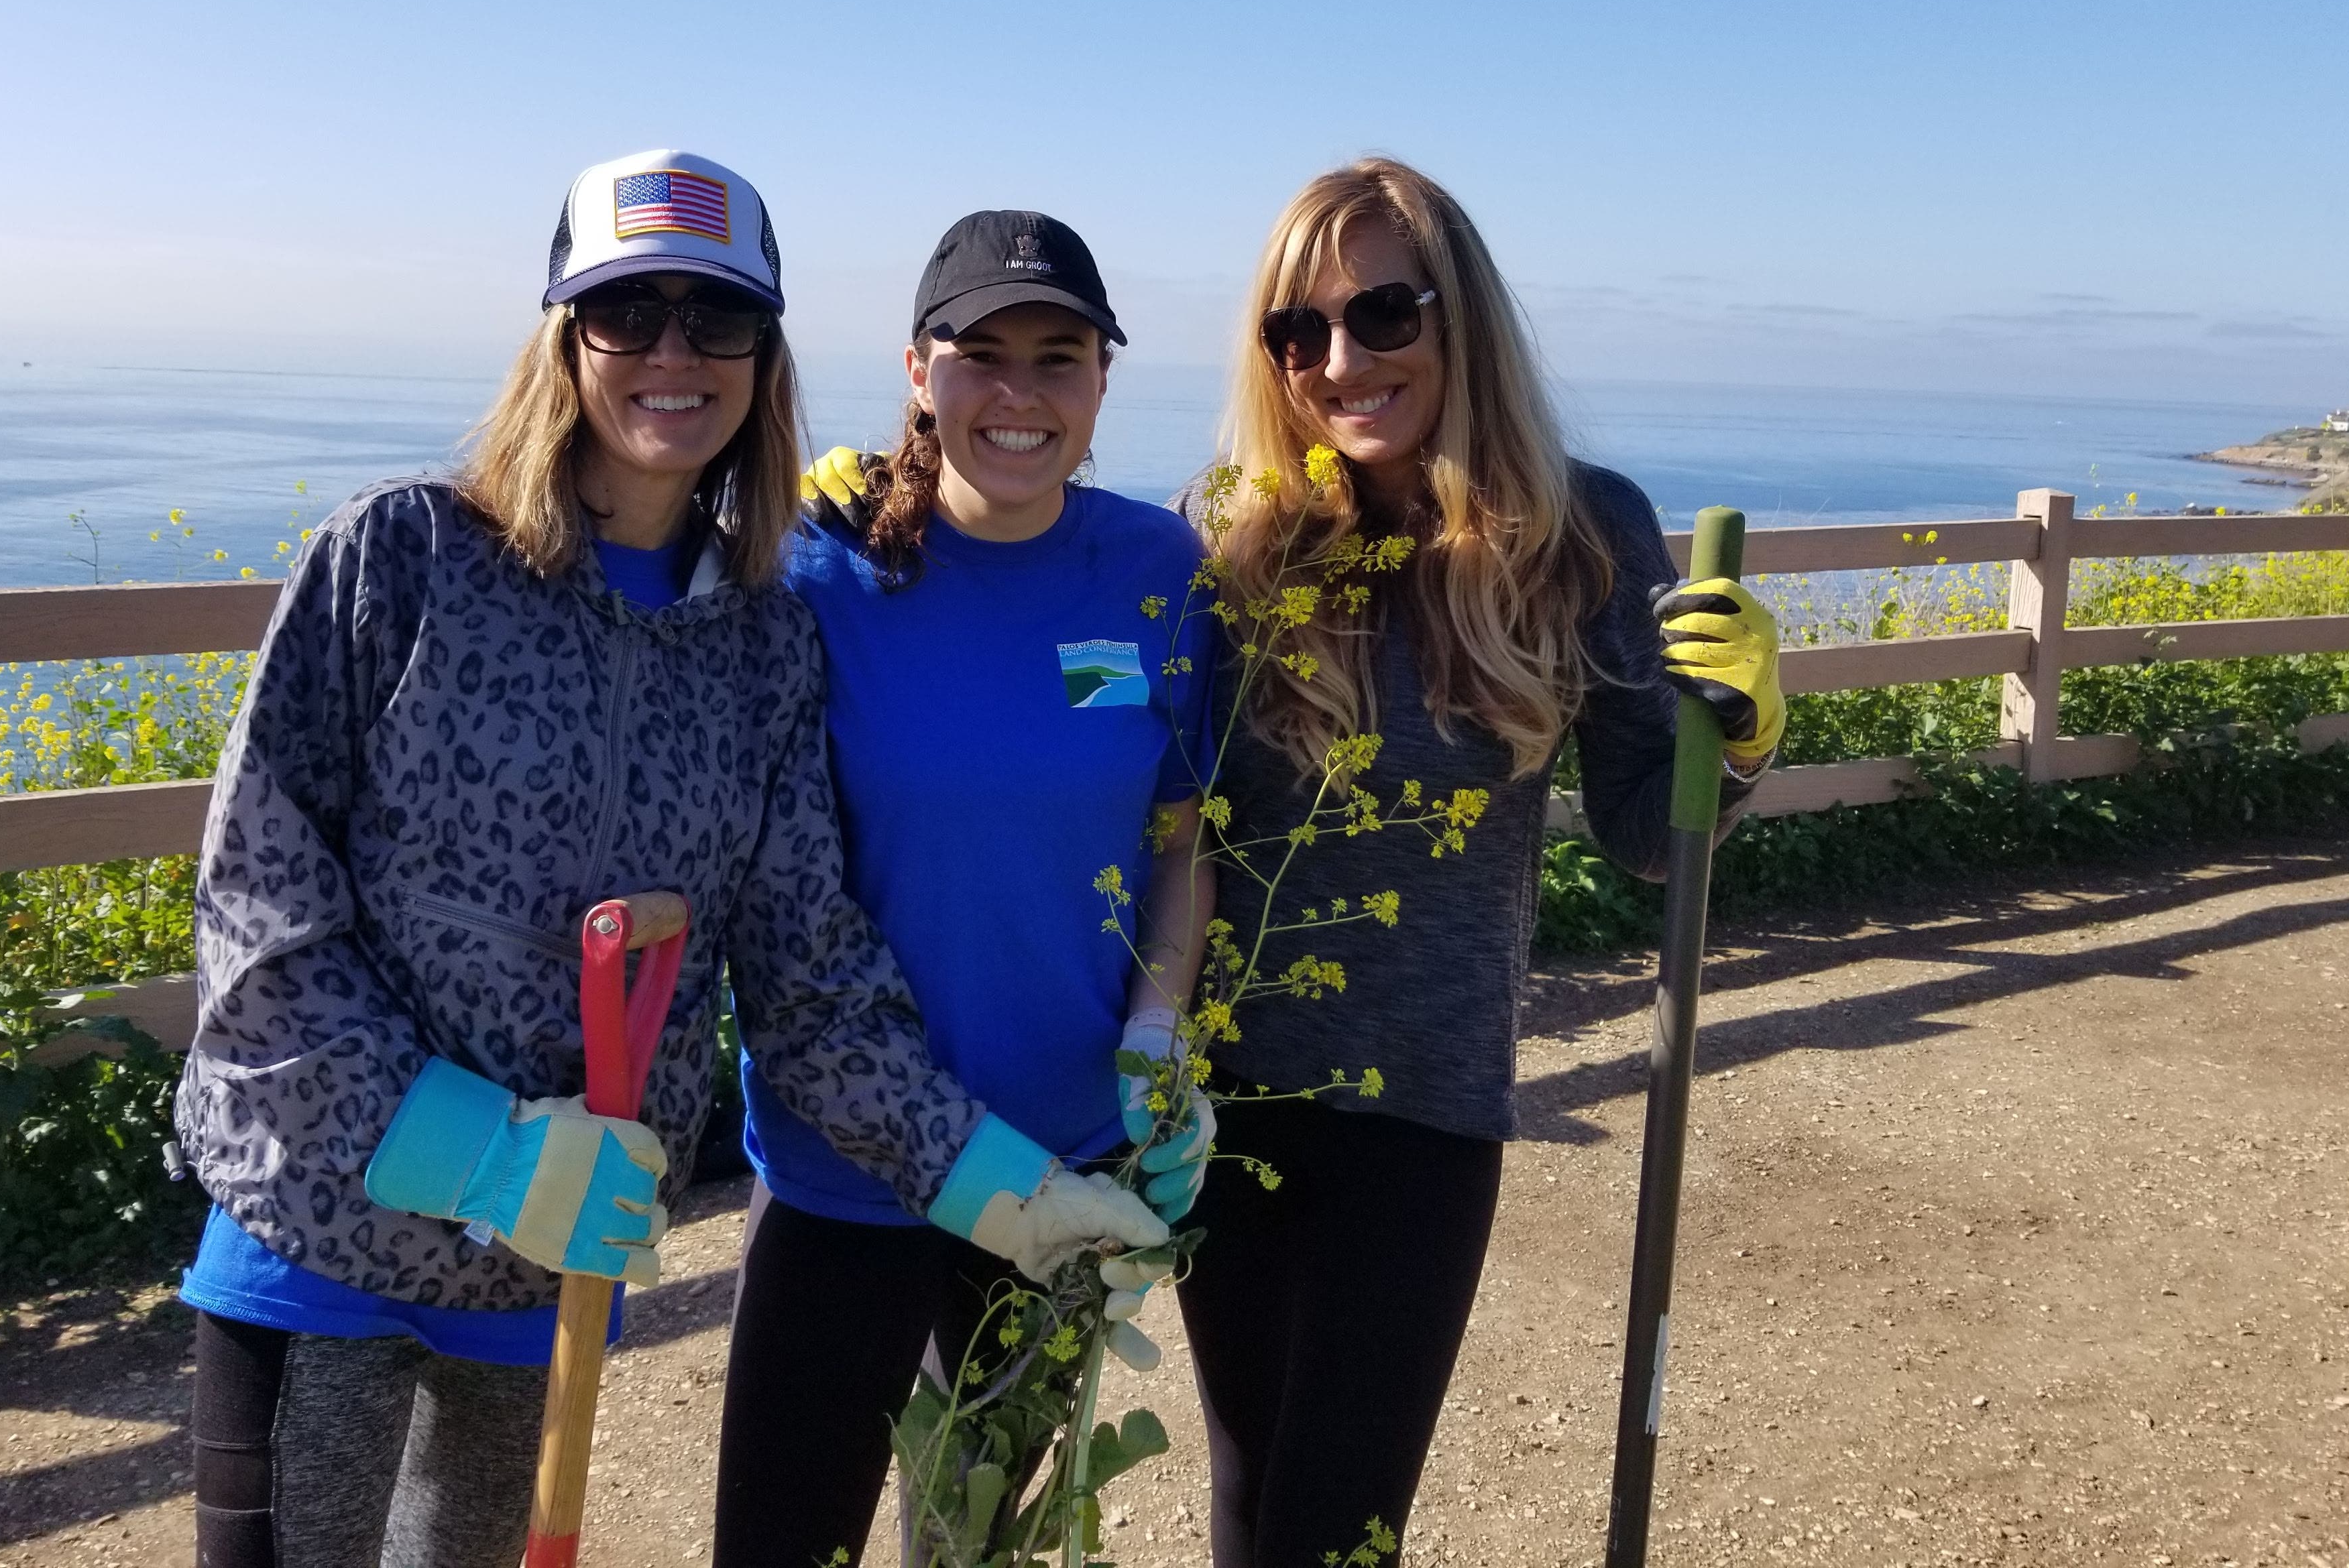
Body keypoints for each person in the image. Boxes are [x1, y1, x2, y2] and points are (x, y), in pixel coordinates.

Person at [172, 154, 1166, 1568]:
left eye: (719, 320)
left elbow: (813, 983)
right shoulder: (401, 559)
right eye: (627, 313)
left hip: (535, 1293)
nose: (672, 355)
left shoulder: (760, 642)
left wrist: (1010, 1194)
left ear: (767, 354)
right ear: (562, 337)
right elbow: (258, 909)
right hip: (316, 1244)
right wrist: (479, 1154)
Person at [1174, 158, 1785, 1565]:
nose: (1344, 360)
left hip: (1427, 1107)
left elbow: (1648, 835)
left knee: (1339, 1529)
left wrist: (1738, 737)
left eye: (1387, 312)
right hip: (1227, 1104)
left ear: (1465, 321)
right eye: (1299, 331)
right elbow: (1145, 804)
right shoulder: (1235, 548)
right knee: (1250, 1504)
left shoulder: (1583, 534)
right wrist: (906, 504)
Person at [713, 211, 1220, 1567]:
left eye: (1059, 357)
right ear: (917, 371)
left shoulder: (1158, 575)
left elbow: (1184, 836)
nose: (1019, 393)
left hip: (1063, 1165)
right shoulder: (815, 568)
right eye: (979, 354)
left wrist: (1161, 1039)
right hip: (850, 1173)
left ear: (1105, 381)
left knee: (987, 1544)